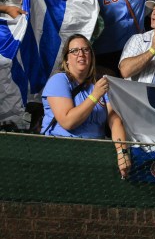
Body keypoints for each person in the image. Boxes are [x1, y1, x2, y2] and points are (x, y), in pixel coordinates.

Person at [40, 34, 129, 177]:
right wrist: (94, 96)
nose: (80, 54)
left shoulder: (100, 84)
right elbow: (68, 122)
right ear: (67, 60)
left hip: (94, 154)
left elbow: (115, 121)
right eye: (74, 51)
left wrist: (122, 152)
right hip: (59, 152)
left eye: (85, 50)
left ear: (91, 57)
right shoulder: (59, 81)